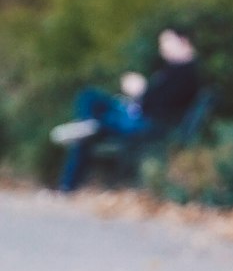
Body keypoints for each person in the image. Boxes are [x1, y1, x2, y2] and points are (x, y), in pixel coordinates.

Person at [51, 27, 202, 192]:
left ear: (183, 41)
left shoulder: (187, 72)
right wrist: (136, 99)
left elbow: (164, 107)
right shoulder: (171, 70)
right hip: (137, 115)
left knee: (88, 133)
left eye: (166, 41)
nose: (162, 47)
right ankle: (89, 125)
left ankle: (89, 130)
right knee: (89, 96)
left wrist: (141, 91)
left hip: (147, 124)